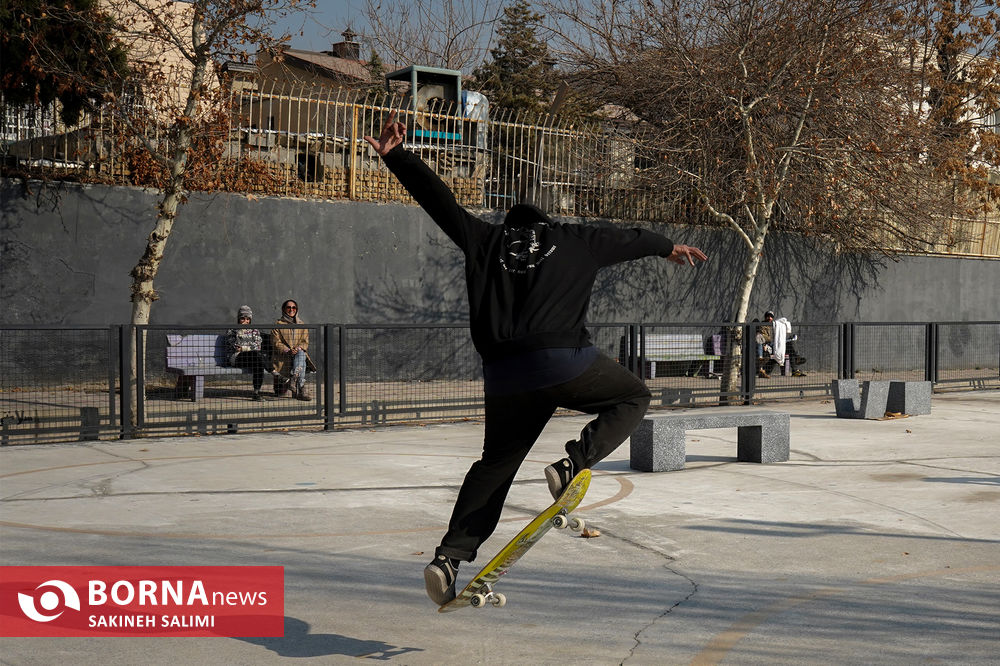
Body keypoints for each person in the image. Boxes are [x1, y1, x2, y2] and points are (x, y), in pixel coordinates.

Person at [365, 112, 709, 606]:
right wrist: (667, 247)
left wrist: (398, 157)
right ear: (546, 224)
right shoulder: (574, 238)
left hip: (505, 376)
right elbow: (631, 238)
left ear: (510, 228)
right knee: (634, 396)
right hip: (563, 362)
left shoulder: (485, 241)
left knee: (495, 465)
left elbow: (440, 202)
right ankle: (574, 463)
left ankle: (449, 557)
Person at [271, 299, 315, 400]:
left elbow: (305, 342)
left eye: (294, 307)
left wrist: (297, 349)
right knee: (302, 360)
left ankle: (294, 380)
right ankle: (300, 390)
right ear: (284, 309)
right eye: (289, 307)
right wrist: (288, 350)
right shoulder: (278, 324)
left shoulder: (301, 325)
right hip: (283, 356)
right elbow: (275, 342)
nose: (291, 310)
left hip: (297, 354)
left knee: (301, 354)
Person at [225, 305, 269, 401]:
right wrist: (249, 346)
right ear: (238, 319)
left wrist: (244, 347)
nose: (246, 321)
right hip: (236, 358)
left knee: (259, 362)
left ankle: (256, 393)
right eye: (243, 318)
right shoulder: (232, 330)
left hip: (252, 358)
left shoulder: (254, 330)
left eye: (248, 319)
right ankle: (274, 372)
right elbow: (236, 347)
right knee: (256, 355)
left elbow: (258, 346)